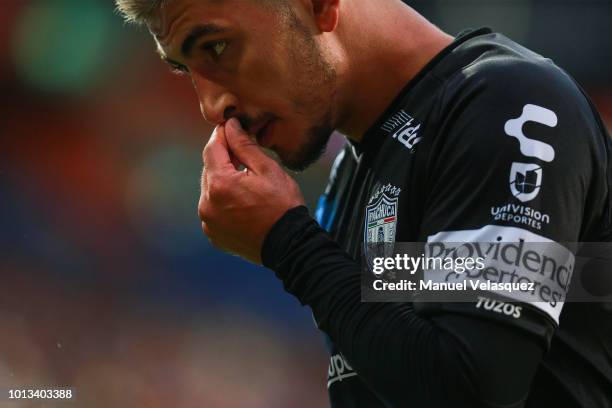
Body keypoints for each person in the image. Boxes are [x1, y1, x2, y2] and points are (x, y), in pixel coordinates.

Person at [116, 0, 612, 406]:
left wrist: (288, 244)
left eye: (217, 47)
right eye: (186, 69)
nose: (209, 105)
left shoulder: (510, 105)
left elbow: (474, 387)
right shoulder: (350, 179)